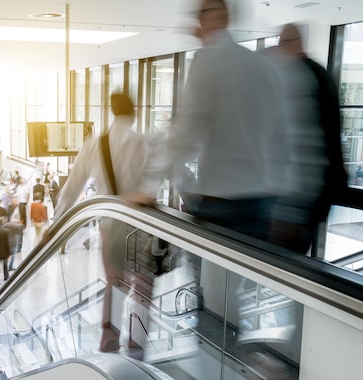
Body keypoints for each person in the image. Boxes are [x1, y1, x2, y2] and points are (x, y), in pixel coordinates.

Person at [133, 0, 288, 243]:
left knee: (211, 276)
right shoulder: (263, 66)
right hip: (262, 200)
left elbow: (186, 132)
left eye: (201, 15)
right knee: (247, 277)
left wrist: (149, 186)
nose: (197, 23)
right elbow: (279, 136)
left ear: (220, 16)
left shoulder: (207, 59)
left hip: (222, 202)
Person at [53, 92, 148, 353]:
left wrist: (55, 225)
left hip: (111, 224)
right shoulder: (143, 142)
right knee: (141, 286)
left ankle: (109, 343)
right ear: (134, 111)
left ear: (112, 111)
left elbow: (72, 187)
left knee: (114, 283)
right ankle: (138, 347)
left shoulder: (95, 144)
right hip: (142, 224)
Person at [264, 23, 348, 253]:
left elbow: (302, 144)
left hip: (300, 199)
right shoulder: (317, 73)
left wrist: (289, 208)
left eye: (282, 44)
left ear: (296, 44)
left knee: (278, 265)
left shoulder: (302, 77)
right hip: (314, 194)